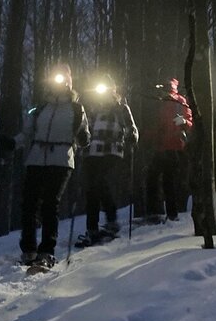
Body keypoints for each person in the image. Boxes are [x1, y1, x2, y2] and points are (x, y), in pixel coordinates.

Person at [15, 64, 90, 267]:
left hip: (61, 159)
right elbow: (28, 131)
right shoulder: (40, 108)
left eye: (62, 81)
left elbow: (84, 133)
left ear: (68, 83)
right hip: (37, 157)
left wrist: (83, 138)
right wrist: (13, 143)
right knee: (29, 203)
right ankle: (29, 249)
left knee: (50, 203)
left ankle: (47, 250)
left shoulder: (76, 108)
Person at [79, 74, 138, 245]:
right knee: (91, 190)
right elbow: (86, 128)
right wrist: (81, 140)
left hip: (111, 151)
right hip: (92, 153)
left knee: (101, 183)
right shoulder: (93, 109)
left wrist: (132, 137)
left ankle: (111, 220)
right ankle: (92, 227)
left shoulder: (120, 108)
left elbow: (131, 127)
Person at [145, 77, 193, 222]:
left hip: (175, 147)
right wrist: (147, 135)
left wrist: (184, 122)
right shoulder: (160, 103)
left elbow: (190, 122)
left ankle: (172, 214)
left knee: (168, 181)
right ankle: (157, 212)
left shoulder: (179, 101)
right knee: (153, 178)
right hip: (162, 147)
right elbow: (158, 126)